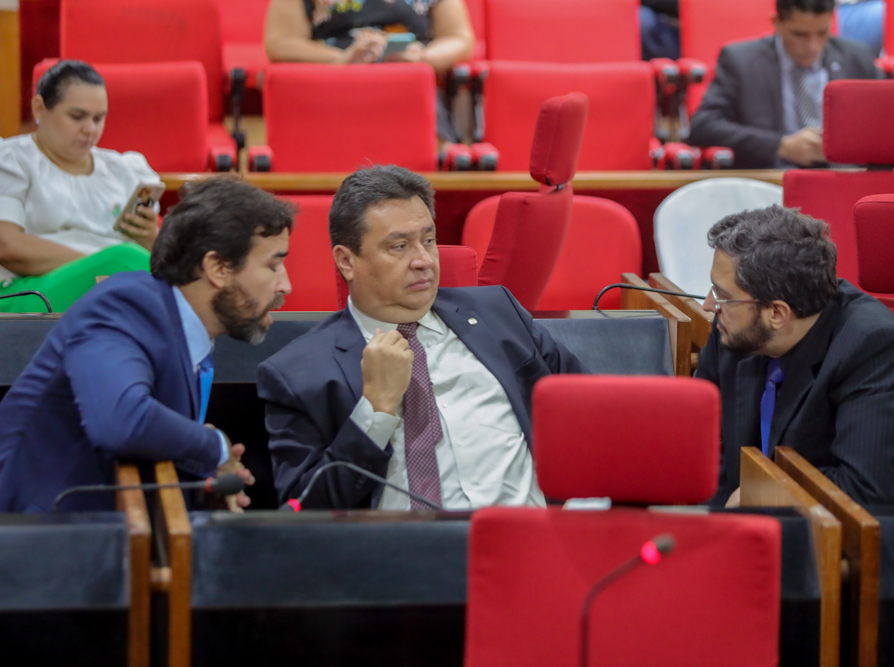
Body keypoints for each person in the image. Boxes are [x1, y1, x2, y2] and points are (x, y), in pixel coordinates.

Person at [258, 165, 582, 510]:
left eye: (428, 240)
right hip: (405, 544)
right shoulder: (298, 373)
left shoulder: (497, 313)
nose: (424, 260)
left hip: (527, 534)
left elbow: (585, 408)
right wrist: (376, 410)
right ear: (347, 262)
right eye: (399, 246)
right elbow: (303, 510)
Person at [0, 177, 294, 513]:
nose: (285, 285)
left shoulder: (178, 324)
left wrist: (204, 483)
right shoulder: (124, 307)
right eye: (273, 265)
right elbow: (121, 423)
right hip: (29, 531)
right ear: (217, 268)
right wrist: (216, 448)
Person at [694, 205, 894, 507]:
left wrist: (760, 493)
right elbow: (705, 449)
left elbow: (864, 488)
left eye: (722, 295)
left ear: (776, 313)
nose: (709, 305)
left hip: (853, 532)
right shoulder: (734, 327)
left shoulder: (873, 348)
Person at [0, 60, 161, 313]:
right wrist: (99, 266)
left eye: (99, 118)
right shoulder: (11, 160)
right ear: (39, 108)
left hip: (111, 283)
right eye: (77, 117)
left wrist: (149, 239)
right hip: (25, 290)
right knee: (125, 261)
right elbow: (7, 246)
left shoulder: (123, 170)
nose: (90, 129)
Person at [687, 0, 880, 169]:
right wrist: (780, 146)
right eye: (800, 35)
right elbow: (703, 126)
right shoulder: (741, 62)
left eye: (822, 33)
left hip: (846, 175)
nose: (813, 46)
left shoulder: (857, 57)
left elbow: (885, 123)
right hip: (772, 177)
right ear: (776, 22)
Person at [264, 0, 475, 144]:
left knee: (415, 87)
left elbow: (459, 39)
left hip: (409, 78)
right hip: (331, 79)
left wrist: (424, 58)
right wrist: (339, 60)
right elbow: (281, 42)